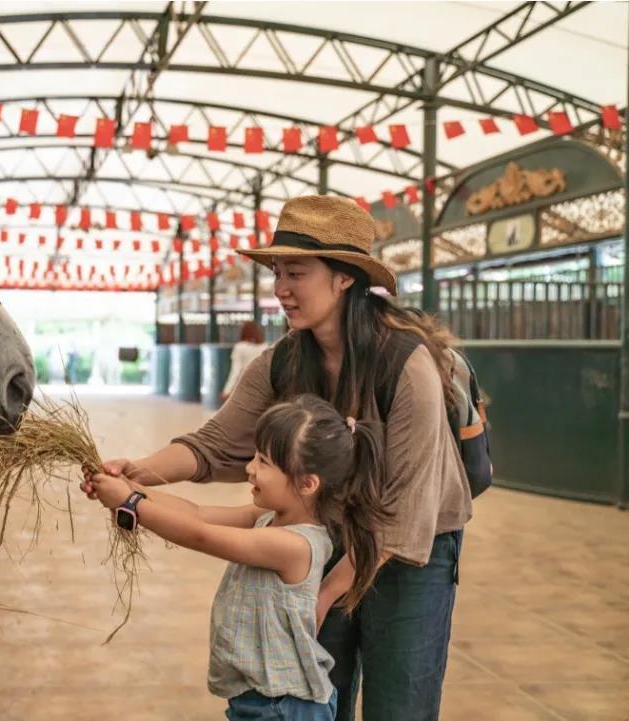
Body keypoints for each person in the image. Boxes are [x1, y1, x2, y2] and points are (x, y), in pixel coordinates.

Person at [82, 195, 471, 721]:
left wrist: (327, 593)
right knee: (316, 695)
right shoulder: (284, 359)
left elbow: (404, 514)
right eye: (277, 273)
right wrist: (135, 472)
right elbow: (213, 444)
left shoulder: (406, 365)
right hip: (331, 533)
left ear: (344, 278)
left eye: (297, 273)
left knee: (398, 704)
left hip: (409, 550)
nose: (281, 289)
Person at [86, 395, 390, 721]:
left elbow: (199, 535)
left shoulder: (295, 545)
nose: (250, 468)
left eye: (263, 462)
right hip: (260, 699)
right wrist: (129, 487)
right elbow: (197, 513)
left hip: (285, 707)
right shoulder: (268, 516)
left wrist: (132, 504)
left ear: (307, 483)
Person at [221, 321, 269, 402]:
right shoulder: (265, 347)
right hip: (262, 388)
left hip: (244, 387)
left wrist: (227, 390)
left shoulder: (240, 347)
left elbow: (235, 371)